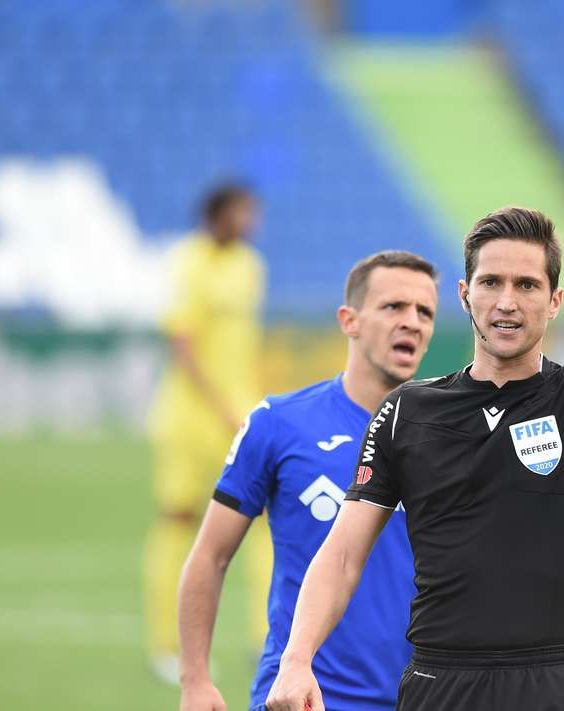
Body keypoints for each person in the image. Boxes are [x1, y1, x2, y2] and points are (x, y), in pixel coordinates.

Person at [265, 63, 564, 711]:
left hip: (558, 684)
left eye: (527, 285)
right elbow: (342, 556)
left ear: (555, 300)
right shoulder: (407, 411)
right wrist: (296, 659)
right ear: (464, 293)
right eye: (491, 283)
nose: (507, 301)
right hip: (440, 685)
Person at [177, 251, 439, 711]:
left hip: (420, 698)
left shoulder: (449, 437)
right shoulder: (278, 423)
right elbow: (210, 555)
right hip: (301, 696)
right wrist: (195, 680)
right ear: (349, 320)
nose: (411, 322)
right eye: (393, 306)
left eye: (425, 312)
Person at [146, 182, 267, 681]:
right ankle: (167, 645)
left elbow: (243, 348)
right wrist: (222, 407)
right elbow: (183, 345)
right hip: (191, 419)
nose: (251, 222)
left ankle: (267, 637)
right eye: (243, 212)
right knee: (180, 521)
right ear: (217, 214)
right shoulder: (188, 262)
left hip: (239, 416)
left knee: (269, 518)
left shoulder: (250, 266)